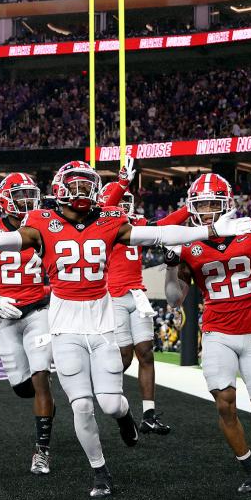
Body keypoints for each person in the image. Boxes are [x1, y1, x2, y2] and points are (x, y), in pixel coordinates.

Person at [0, 159, 251, 498]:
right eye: (74, 185)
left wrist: (209, 230)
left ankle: (125, 418)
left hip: (102, 322)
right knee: (80, 405)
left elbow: (158, 233)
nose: (80, 191)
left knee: (110, 404)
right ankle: (100, 472)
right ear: (60, 190)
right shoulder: (40, 221)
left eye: (86, 185)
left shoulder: (109, 218)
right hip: (64, 324)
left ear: (96, 189)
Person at [164, 173, 251, 494]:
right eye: (199, 204)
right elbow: (176, 298)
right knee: (224, 404)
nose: (204, 210)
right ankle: (250, 470)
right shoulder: (187, 242)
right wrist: (169, 263)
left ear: (226, 205)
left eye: (211, 204)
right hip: (217, 332)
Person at [0, 172, 56, 474]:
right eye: (19, 196)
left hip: (38, 311)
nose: (25, 202)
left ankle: (41, 451)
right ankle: (45, 394)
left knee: (40, 377)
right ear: (5, 200)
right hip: (4, 315)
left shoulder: (43, 225)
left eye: (29, 195)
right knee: (22, 388)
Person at [99, 171, 188, 435]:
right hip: (112, 296)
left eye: (128, 200)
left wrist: (188, 209)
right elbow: (105, 209)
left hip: (136, 294)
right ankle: (107, 393)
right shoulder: (101, 223)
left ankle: (148, 414)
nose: (125, 205)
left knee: (146, 352)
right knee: (124, 356)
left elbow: (163, 226)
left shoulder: (136, 222)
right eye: (120, 200)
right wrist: (120, 183)